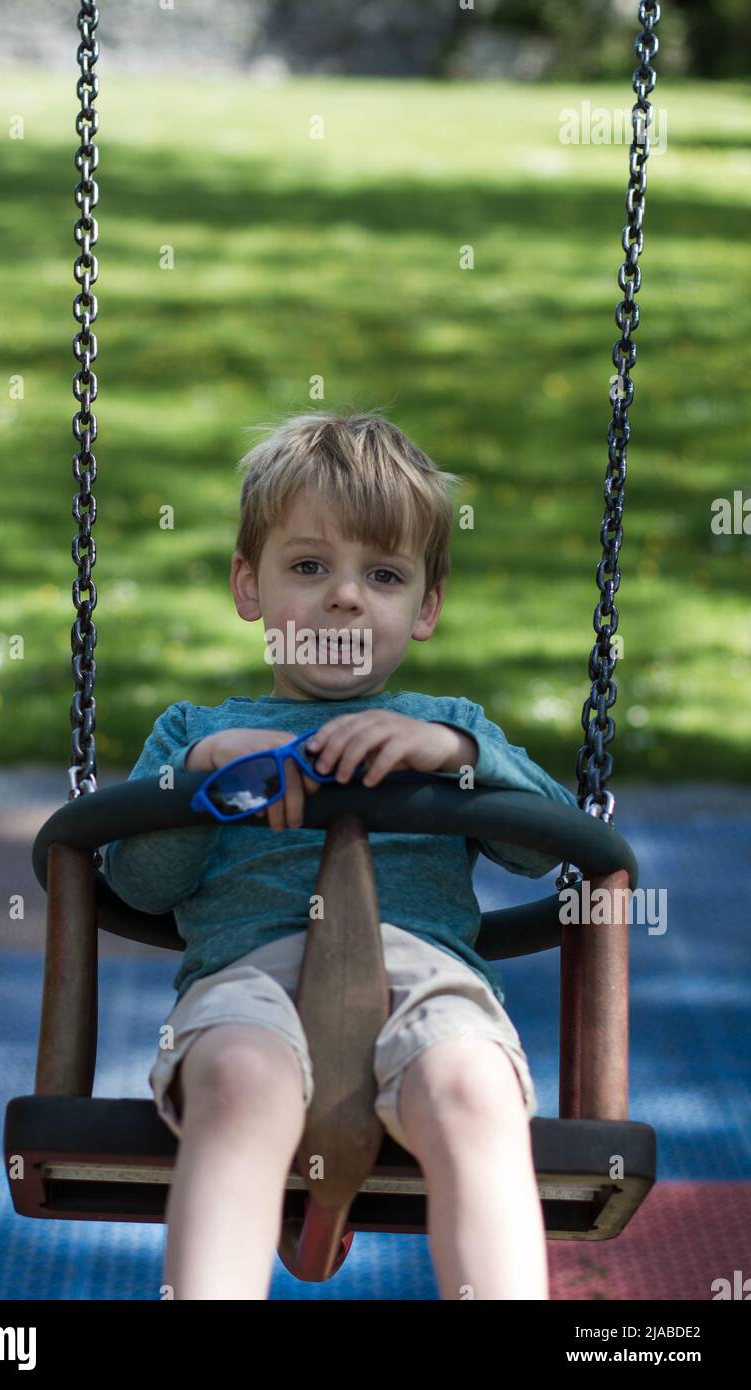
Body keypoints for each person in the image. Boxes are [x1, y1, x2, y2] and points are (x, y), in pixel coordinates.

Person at [103, 412, 579, 1300]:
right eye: (309, 566)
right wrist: (206, 778)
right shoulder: (196, 733)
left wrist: (458, 756)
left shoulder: (449, 730)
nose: (346, 597)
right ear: (250, 586)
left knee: (475, 1089)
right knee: (239, 1084)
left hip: (425, 979)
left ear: (426, 607)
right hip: (251, 974)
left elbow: (542, 846)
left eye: (385, 574)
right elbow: (137, 882)